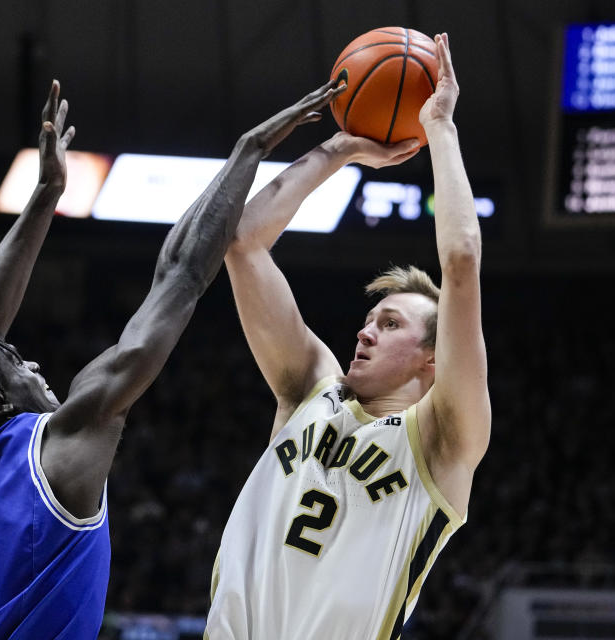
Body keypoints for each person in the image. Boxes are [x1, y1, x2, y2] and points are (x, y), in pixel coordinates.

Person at [0, 78, 345, 640]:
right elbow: (179, 277)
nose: (36, 367)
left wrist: (45, 197)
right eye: (20, 365)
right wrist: (249, 150)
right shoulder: (58, 448)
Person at [206, 33, 490, 639]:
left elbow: (462, 260)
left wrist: (438, 126)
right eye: (368, 320)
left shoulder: (442, 441)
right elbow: (243, 242)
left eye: (390, 325)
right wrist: (339, 148)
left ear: (433, 359)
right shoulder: (310, 388)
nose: (364, 333)